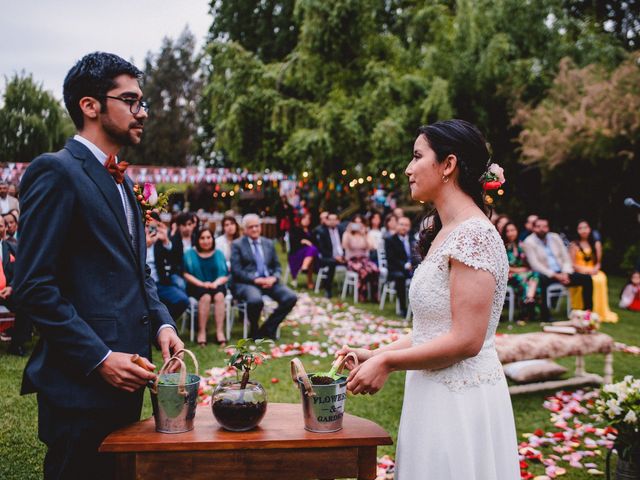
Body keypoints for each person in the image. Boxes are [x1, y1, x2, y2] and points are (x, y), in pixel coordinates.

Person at [13, 52, 183, 480]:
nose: (141, 112)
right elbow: (34, 287)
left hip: (129, 381)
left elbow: (135, 270)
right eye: (130, 101)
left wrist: (163, 325)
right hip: (79, 385)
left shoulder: (124, 182)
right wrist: (101, 358)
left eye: (143, 102)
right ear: (90, 105)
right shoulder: (55, 171)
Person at [337, 119, 519, 479]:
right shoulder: (443, 230)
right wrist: (377, 354)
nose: (408, 168)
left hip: (460, 402)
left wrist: (389, 365)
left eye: (417, 156)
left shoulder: (474, 236)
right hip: (430, 391)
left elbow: (466, 340)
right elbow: (434, 329)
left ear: (448, 165)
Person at [231, 214, 297, 339]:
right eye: (251, 227)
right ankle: (254, 328)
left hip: (269, 281)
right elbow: (236, 270)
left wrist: (274, 278)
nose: (254, 229)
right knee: (255, 301)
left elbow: (277, 266)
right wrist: (256, 279)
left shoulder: (268, 243)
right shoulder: (237, 245)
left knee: (291, 297)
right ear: (245, 229)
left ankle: (268, 328)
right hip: (248, 283)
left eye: (257, 226)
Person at [522, 217, 593, 321]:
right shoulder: (528, 242)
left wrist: (565, 273)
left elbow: (566, 257)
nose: (542, 229)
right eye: (538, 226)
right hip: (546, 274)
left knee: (587, 279)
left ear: (548, 228)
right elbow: (535, 264)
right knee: (540, 280)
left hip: (563, 272)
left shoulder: (555, 237)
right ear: (533, 228)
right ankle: (545, 315)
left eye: (545, 226)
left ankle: (587, 313)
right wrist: (555, 275)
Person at [183, 228, 229, 346]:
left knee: (219, 295)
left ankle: (219, 332)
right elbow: (186, 273)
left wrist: (215, 283)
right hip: (196, 285)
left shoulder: (218, 253)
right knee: (206, 297)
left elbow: (225, 275)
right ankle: (202, 332)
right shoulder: (189, 253)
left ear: (212, 239)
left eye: (208, 237)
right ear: (197, 240)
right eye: (202, 238)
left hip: (216, 284)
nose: (206, 241)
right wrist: (202, 284)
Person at [568, 220, 618, 322]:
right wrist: (586, 270)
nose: (583, 231)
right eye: (580, 228)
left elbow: (598, 262)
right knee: (589, 280)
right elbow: (572, 264)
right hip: (579, 270)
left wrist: (594, 269)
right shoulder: (574, 245)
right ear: (577, 230)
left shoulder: (595, 244)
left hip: (593, 270)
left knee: (600, 279)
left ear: (590, 229)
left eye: (585, 228)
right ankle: (584, 308)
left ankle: (599, 310)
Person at [145, 218, 189, 321]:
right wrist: (145, 246)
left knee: (182, 300)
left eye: (153, 227)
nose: (150, 230)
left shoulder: (159, 242)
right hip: (143, 285)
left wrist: (166, 241)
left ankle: (162, 324)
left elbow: (174, 261)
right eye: (147, 226)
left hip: (160, 283)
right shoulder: (137, 241)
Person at [501, 221, 540, 320]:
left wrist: (520, 270)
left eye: (512, 230)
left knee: (534, 275)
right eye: (508, 231)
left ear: (517, 231)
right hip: (509, 276)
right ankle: (528, 308)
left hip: (522, 274)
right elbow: (505, 267)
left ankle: (529, 298)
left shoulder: (521, 246)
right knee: (524, 279)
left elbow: (528, 265)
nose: (510, 233)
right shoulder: (503, 247)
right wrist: (520, 270)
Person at [342, 215, 379, 302]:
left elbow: (371, 247)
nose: (358, 225)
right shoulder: (347, 234)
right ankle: (362, 294)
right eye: (356, 223)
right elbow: (345, 246)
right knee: (363, 271)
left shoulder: (366, 234)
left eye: (360, 222)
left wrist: (364, 235)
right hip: (352, 260)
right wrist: (348, 233)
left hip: (364, 259)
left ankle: (375, 295)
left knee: (375, 269)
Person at [384, 216, 416, 317]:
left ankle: (417, 308)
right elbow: (391, 258)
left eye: (406, 225)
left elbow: (417, 255)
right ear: (397, 226)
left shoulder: (412, 239)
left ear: (409, 227)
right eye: (401, 224)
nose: (403, 227)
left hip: (412, 268)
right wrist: (405, 265)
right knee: (400, 278)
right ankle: (403, 308)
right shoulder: (390, 240)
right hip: (396, 269)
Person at [315, 212, 347, 298]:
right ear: (327, 221)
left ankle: (351, 289)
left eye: (334, 219)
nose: (332, 222)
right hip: (328, 257)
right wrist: (335, 257)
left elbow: (345, 245)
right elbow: (322, 249)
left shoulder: (341, 230)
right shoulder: (323, 232)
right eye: (330, 219)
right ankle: (328, 289)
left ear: (338, 221)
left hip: (342, 256)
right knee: (331, 263)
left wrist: (343, 256)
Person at [288, 212, 319, 289]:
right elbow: (293, 242)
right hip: (297, 253)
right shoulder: (295, 229)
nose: (307, 220)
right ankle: (306, 272)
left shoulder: (311, 231)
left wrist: (308, 243)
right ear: (301, 219)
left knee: (312, 250)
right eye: (305, 218)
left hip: (309, 254)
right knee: (312, 251)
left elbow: (315, 243)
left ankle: (305, 267)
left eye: (308, 219)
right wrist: (302, 241)